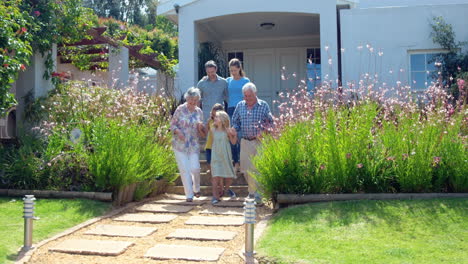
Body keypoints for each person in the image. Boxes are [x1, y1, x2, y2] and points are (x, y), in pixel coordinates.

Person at [231, 82, 273, 204]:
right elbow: (235, 121)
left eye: (249, 95)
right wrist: (234, 129)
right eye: (245, 96)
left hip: (259, 142)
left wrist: (264, 131)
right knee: (245, 169)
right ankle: (252, 192)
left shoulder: (263, 105)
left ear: (255, 94)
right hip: (245, 141)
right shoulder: (240, 105)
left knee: (256, 168)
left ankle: (256, 195)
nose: (247, 98)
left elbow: (271, 122)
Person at [170, 87, 205, 202]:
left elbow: (202, 131)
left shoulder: (199, 111)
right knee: (184, 169)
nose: (193, 103)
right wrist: (178, 132)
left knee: (195, 168)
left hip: (193, 144)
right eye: (191, 100)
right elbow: (172, 125)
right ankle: (189, 195)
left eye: (195, 100)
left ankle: (196, 188)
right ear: (187, 98)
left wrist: (201, 128)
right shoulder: (180, 109)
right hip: (180, 145)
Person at [226, 58, 250, 171]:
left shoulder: (245, 81)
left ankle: (242, 162)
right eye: (231, 70)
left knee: (241, 136)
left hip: (242, 109)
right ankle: (235, 162)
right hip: (230, 110)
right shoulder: (228, 81)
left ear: (239, 68)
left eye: (235, 70)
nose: (233, 72)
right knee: (232, 136)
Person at [210, 110, 238, 204]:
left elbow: (233, 142)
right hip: (216, 155)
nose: (215, 118)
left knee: (229, 176)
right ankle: (215, 196)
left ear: (222, 119)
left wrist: (234, 135)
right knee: (215, 177)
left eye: (217, 117)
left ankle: (226, 190)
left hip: (225, 155)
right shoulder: (213, 129)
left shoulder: (227, 131)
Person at [204, 103, 225, 173]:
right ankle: (211, 169)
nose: (213, 117)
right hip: (209, 144)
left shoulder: (223, 123)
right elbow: (206, 132)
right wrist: (206, 125)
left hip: (217, 146)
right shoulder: (210, 121)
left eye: (215, 115)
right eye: (212, 115)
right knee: (208, 159)